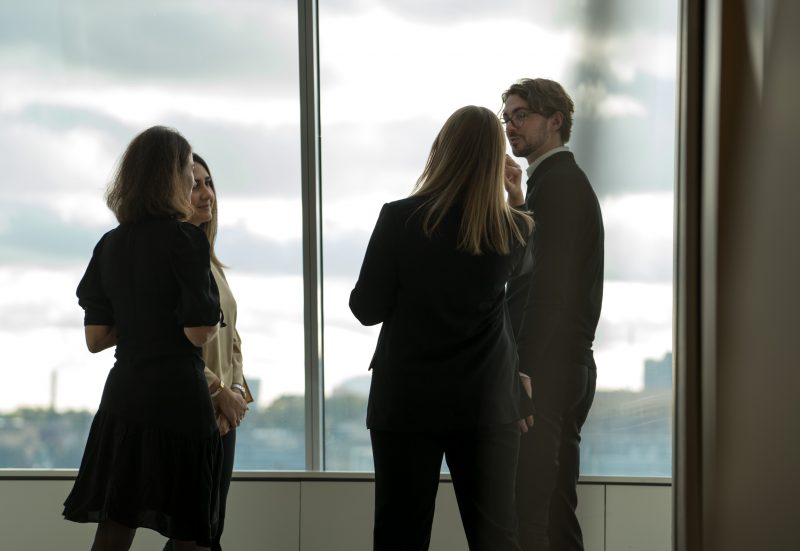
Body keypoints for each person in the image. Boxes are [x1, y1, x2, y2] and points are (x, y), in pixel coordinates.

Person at [350, 105, 535, 551]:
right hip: (487, 402)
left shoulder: (399, 218)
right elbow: (528, 267)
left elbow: (366, 308)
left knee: (400, 536)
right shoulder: (512, 229)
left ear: (440, 151)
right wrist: (517, 197)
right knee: (496, 535)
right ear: (496, 161)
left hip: (407, 402)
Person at [63, 126, 224, 551]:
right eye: (188, 174)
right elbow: (197, 331)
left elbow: (96, 338)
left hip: (125, 400)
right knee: (189, 533)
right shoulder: (185, 240)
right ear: (171, 177)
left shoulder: (109, 245)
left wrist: (140, 322)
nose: (194, 183)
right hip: (179, 401)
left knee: (115, 528)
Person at [500, 78, 604, 551]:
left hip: (548, 367)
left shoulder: (559, 185)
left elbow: (548, 290)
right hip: (564, 364)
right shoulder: (550, 183)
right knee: (555, 514)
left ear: (556, 121)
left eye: (521, 115)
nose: (509, 126)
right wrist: (519, 204)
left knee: (533, 516)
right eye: (506, 117)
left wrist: (523, 365)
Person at [162, 153, 251, 551]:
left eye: (208, 182)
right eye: (194, 184)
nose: (206, 193)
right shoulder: (171, 258)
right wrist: (217, 391)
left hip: (222, 414)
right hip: (195, 408)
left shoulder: (209, 262)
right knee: (194, 535)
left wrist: (234, 392)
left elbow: (232, 340)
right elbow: (171, 341)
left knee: (210, 530)